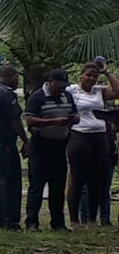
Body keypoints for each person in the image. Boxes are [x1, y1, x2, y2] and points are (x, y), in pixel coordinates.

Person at [23, 69, 79, 231]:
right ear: (50, 81)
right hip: (41, 145)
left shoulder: (66, 96)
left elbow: (74, 113)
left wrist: (73, 119)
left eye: (63, 86)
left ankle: (58, 223)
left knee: (58, 185)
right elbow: (30, 120)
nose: (61, 88)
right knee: (37, 185)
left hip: (60, 145)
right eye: (58, 85)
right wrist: (53, 122)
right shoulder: (38, 96)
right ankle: (32, 222)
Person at [66, 62, 119, 226]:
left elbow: (117, 91)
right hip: (79, 136)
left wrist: (107, 72)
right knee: (77, 178)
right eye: (88, 75)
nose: (91, 79)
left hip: (99, 137)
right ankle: (75, 220)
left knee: (97, 179)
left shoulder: (99, 91)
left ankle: (92, 219)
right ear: (81, 75)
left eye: (95, 76)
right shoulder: (71, 90)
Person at [0, 65, 29, 230]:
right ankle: (9, 219)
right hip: (3, 142)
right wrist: (25, 140)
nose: (18, 81)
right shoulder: (7, 94)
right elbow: (15, 121)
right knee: (9, 181)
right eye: (16, 77)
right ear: (9, 77)